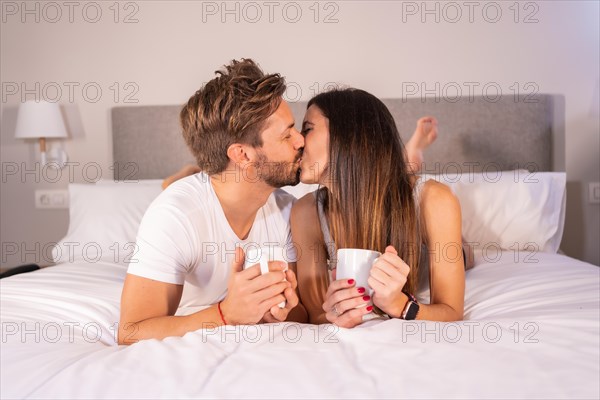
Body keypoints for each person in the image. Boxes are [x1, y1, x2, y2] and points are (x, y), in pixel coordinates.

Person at [118, 59, 307, 344]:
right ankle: (179, 177)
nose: (301, 140)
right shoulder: (175, 215)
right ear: (242, 155)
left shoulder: (286, 209)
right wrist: (226, 314)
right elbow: (131, 331)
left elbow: (301, 314)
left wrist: (282, 312)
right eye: (287, 134)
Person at [290, 88, 466, 328]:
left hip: (435, 240)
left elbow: (451, 311)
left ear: (347, 135)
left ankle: (412, 156)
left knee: (467, 254)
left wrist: (400, 305)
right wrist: (335, 314)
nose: (297, 140)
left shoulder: (435, 201)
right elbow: (316, 313)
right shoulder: (306, 212)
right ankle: (410, 157)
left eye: (307, 128)